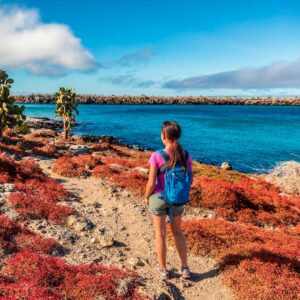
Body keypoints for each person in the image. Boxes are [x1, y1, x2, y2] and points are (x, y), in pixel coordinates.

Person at [145, 121, 192, 279]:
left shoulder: (157, 155)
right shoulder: (186, 155)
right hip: (177, 199)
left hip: (158, 198)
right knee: (178, 232)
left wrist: (146, 196)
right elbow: (189, 178)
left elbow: (151, 182)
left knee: (160, 235)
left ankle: (164, 269)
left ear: (164, 136)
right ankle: (185, 268)